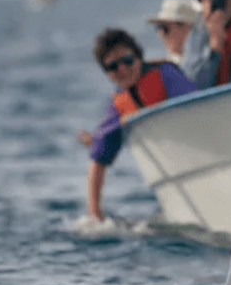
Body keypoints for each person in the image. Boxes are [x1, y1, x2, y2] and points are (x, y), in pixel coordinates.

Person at [81, 28, 197, 221]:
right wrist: (95, 214)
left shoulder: (165, 74)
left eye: (127, 60)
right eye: (113, 66)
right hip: (176, 176)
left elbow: (196, 107)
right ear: (107, 73)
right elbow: (98, 157)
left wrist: (143, 115)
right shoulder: (119, 104)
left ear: (139, 57)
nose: (122, 69)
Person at [146, 0, 199, 65]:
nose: (160, 33)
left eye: (164, 27)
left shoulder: (200, 65)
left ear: (186, 28)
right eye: (158, 27)